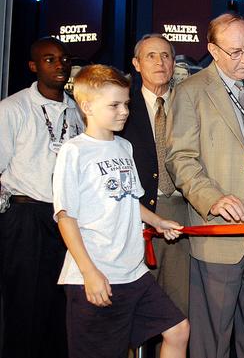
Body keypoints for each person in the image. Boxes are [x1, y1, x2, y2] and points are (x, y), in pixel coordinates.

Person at [165, 13, 244, 358]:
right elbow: (181, 159)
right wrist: (213, 198)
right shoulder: (191, 92)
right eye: (235, 52)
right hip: (220, 222)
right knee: (213, 330)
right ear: (212, 50)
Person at [52, 64, 189, 357]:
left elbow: (128, 200)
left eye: (126, 104)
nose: (124, 111)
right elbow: (65, 217)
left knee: (178, 329)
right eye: (114, 105)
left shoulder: (124, 147)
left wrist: (159, 221)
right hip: (96, 274)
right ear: (86, 106)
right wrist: (90, 272)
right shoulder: (74, 151)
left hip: (133, 273)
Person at [0, 36, 83, 358]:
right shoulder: (13, 108)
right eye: (49, 60)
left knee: (60, 308)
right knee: (24, 308)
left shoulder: (78, 110)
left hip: (66, 219)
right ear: (33, 67)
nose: (60, 65)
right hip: (25, 218)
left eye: (64, 58)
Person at [120, 34, 190, 319]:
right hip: (136, 217)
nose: (160, 62)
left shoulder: (190, 104)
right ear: (136, 64)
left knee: (176, 312)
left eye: (165, 56)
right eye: (151, 56)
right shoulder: (122, 106)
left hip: (181, 215)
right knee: (134, 311)